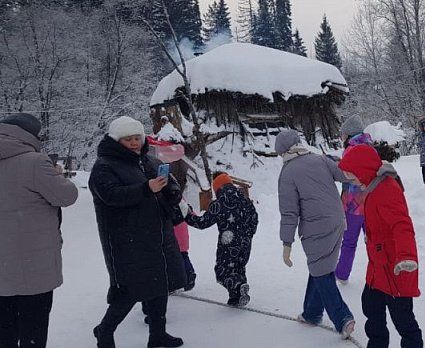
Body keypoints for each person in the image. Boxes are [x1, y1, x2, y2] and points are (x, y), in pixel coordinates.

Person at [88, 116, 187, 348]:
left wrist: (171, 191)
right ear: (116, 140)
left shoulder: (148, 160)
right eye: (127, 139)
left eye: (137, 138)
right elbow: (110, 195)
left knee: (159, 284)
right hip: (127, 238)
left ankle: (157, 334)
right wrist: (145, 188)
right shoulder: (104, 166)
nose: (134, 143)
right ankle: (104, 330)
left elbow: (168, 184)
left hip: (158, 234)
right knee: (130, 291)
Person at [0, 113, 79, 348]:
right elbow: (67, 196)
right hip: (33, 264)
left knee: (4, 329)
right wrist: (56, 175)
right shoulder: (35, 162)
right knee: (33, 328)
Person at [339, 144, 423, 348]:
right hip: (378, 267)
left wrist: (406, 257)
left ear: (363, 171)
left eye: (353, 176)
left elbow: (402, 225)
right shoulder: (372, 186)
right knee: (371, 307)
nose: (353, 181)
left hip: (396, 268)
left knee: (403, 321)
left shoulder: (386, 190)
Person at [276, 129, 356, 339]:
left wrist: (287, 242)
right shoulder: (320, 159)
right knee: (322, 265)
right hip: (338, 220)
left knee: (321, 272)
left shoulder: (287, 172)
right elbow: (344, 174)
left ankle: (343, 318)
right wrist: (365, 175)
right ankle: (312, 313)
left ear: (283, 152)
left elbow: (289, 212)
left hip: (316, 226)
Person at [184, 172, 259, 307]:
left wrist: (186, 216)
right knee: (239, 268)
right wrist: (248, 234)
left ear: (217, 187)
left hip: (228, 243)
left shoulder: (219, 203)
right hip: (246, 242)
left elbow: (202, 223)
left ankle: (238, 286)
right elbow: (255, 218)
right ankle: (236, 297)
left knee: (222, 271)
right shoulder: (244, 199)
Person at [335, 115, 373, 283]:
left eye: (343, 133)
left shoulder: (351, 149)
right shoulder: (371, 147)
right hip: (371, 202)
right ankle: (379, 274)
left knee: (349, 241)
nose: (341, 136)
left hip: (353, 204)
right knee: (373, 241)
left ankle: (342, 274)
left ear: (349, 133)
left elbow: (345, 175)